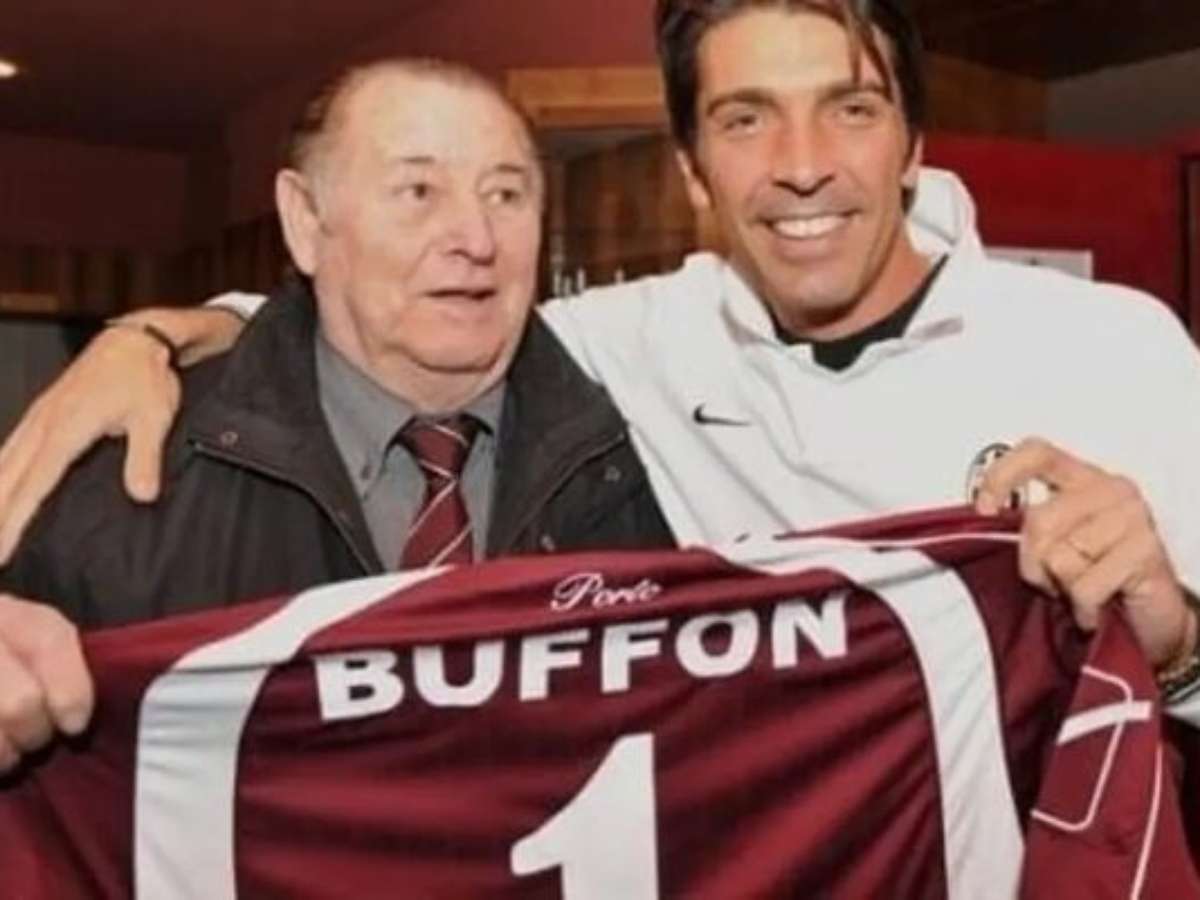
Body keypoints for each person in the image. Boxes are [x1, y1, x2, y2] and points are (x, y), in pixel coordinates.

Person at [3, 0, 1200, 754]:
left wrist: (1180, 643)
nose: (802, 165)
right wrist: (155, 336)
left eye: (849, 108)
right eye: (745, 120)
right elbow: (386, 312)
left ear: (911, 146)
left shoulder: (1122, 346)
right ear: (692, 171)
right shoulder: (632, 342)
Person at [0, 58, 673, 772]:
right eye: (418, 191)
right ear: (305, 221)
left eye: (506, 194)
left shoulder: (643, 452)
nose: (476, 239)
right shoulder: (125, 477)